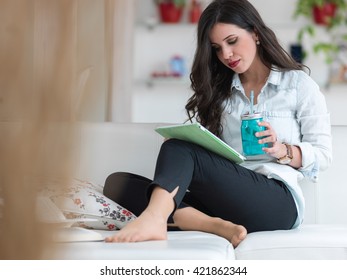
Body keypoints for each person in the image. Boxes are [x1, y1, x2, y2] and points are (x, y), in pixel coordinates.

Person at [103, 0, 332, 247]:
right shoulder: (220, 94)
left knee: (177, 152)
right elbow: (216, 162)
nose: (226, 55)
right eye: (216, 48)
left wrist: (283, 151)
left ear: (255, 33)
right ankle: (214, 225)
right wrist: (190, 150)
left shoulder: (298, 85)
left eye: (232, 41)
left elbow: (323, 156)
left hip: (276, 203)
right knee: (118, 184)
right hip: (228, 202)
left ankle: (156, 219)